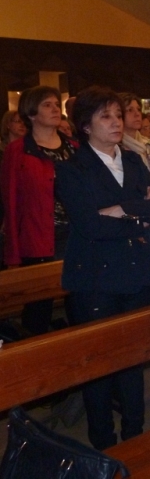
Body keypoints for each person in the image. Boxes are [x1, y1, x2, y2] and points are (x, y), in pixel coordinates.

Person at [55, 86, 150, 450]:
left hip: (137, 272)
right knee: (97, 366)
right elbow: (90, 226)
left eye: (118, 115)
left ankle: (134, 438)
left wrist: (121, 210)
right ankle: (103, 443)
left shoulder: (132, 160)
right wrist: (137, 211)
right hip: (96, 278)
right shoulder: (71, 169)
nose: (116, 122)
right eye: (106, 116)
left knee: (134, 360)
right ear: (85, 125)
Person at [1, 86, 77, 334]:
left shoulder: (73, 147)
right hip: (37, 236)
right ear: (31, 114)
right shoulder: (18, 150)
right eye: (47, 105)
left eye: (57, 104)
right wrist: (13, 253)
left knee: (79, 301)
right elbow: (11, 203)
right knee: (38, 307)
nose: (56, 109)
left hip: (75, 234)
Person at [120, 93, 150, 185]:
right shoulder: (116, 147)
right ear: (119, 115)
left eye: (138, 109)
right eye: (130, 110)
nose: (137, 114)